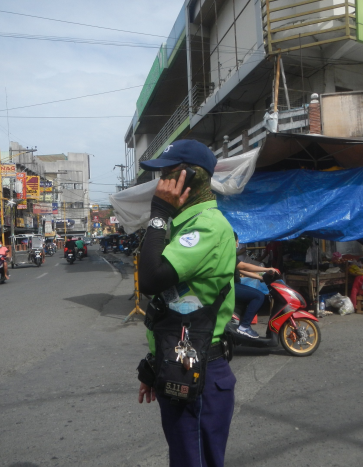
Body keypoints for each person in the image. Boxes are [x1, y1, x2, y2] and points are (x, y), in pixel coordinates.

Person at [136, 139, 236, 467]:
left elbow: (151, 278)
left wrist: (158, 214)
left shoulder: (206, 226)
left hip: (198, 370)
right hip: (179, 363)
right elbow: (171, 304)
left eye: (166, 172)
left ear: (187, 177)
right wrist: (155, 365)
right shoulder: (185, 227)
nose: (160, 182)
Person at [233, 232, 278, 338]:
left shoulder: (229, 253)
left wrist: (261, 277)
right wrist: (266, 269)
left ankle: (241, 325)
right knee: (259, 296)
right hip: (230, 287)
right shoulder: (229, 254)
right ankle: (244, 326)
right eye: (237, 241)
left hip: (233, 284)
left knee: (251, 295)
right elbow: (243, 266)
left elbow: (241, 270)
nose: (238, 244)